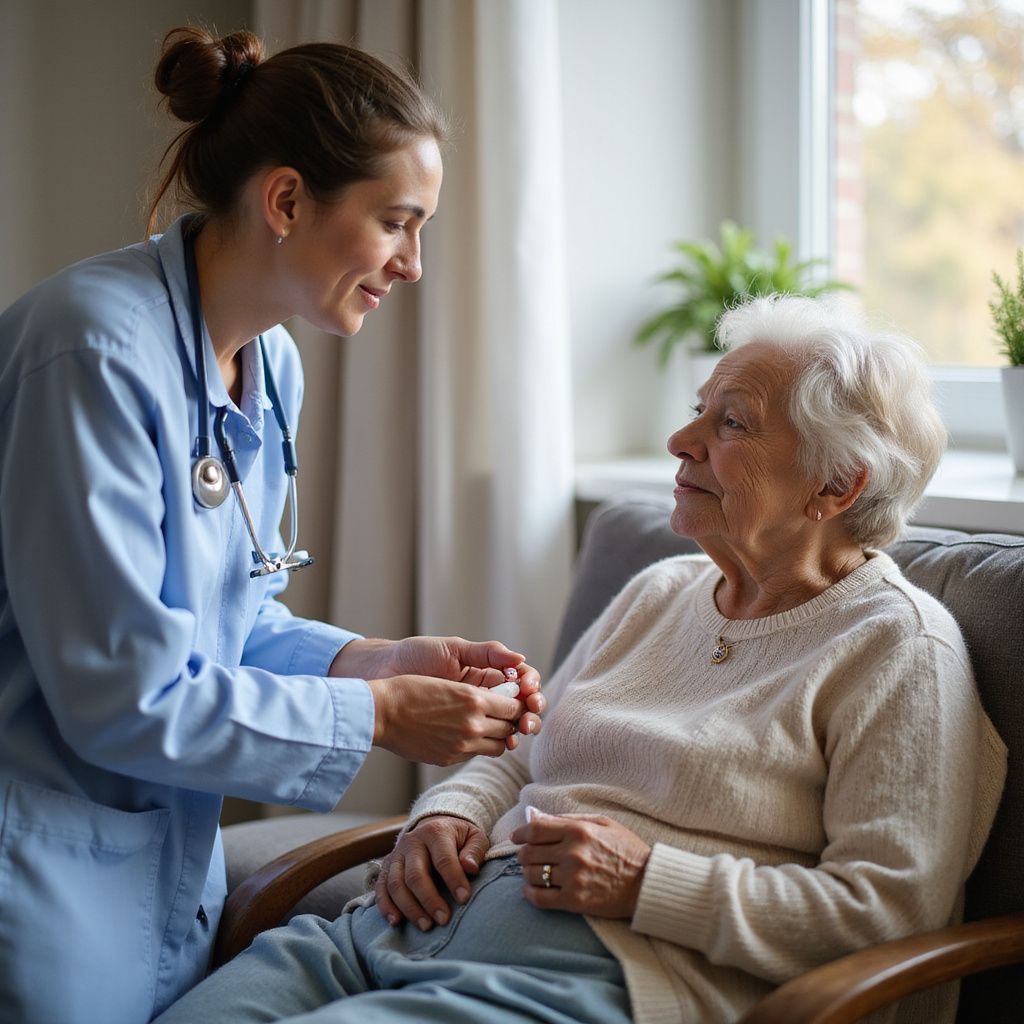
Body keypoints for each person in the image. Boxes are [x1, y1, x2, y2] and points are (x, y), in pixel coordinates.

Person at [155, 294, 1006, 1024]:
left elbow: (888, 913)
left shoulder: (898, 650)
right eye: (698, 407)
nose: (682, 438)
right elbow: (521, 756)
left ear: (837, 485)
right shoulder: (663, 590)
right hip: (398, 928)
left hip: (591, 983)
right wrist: (444, 816)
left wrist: (650, 883)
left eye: (730, 422)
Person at [0, 26, 545, 1024]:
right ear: (287, 200)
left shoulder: (269, 360)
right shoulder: (88, 351)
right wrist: (381, 721)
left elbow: (227, 618)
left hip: (158, 857)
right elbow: (123, 693)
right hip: (36, 852)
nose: (413, 264)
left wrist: (377, 663)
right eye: (397, 222)